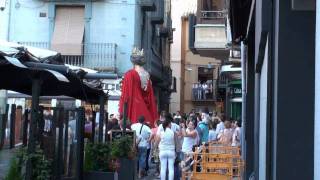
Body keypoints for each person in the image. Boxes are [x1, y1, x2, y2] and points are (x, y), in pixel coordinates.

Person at [119, 47, 158, 127]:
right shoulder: (147, 74)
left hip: (134, 108)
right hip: (146, 111)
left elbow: (126, 95)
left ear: (133, 61)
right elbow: (148, 94)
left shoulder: (129, 74)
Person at [156, 114, 176, 180]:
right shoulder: (172, 132)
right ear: (168, 124)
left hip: (162, 150)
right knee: (171, 168)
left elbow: (157, 140)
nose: (171, 125)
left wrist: (156, 147)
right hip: (171, 151)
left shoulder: (161, 132)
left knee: (163, 168)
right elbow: (174, 141)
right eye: (170, 124)